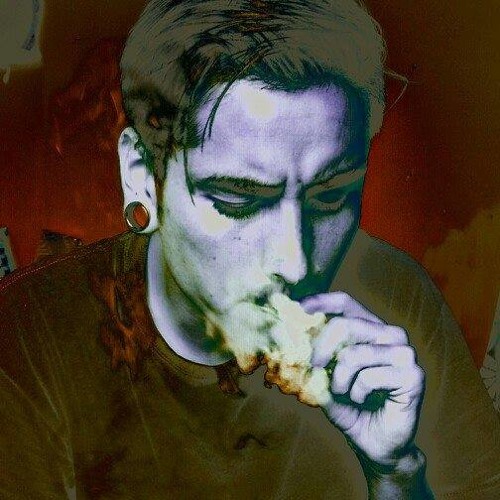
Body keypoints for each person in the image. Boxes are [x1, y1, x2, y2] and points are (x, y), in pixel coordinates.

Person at [1, 1, 499, 498]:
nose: (296, 262)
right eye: (237, 200)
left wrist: (395, 472)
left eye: (330, 197)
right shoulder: (25, 333)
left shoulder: (397, 299)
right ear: (142, 177)